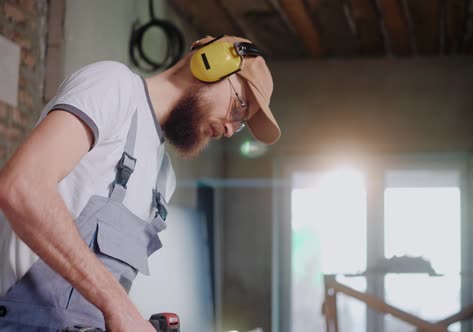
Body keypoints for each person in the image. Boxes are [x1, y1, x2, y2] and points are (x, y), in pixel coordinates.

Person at [0, 35, 280, 331]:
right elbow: (22, 187)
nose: (229, 128)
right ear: (211, 64)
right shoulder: (114, 86)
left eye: (240, 125)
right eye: (238, 109)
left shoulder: (163, 177)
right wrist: (118, 307)